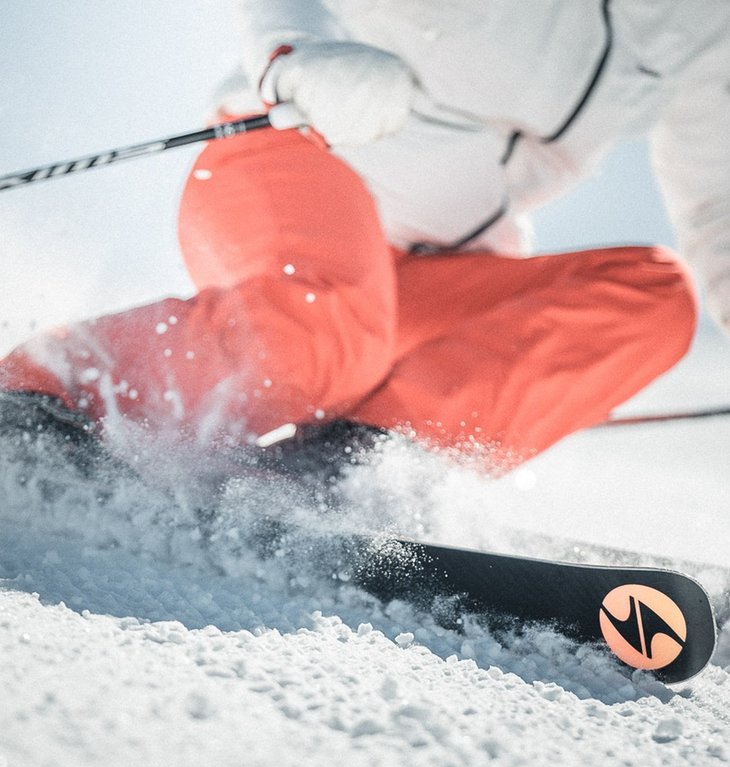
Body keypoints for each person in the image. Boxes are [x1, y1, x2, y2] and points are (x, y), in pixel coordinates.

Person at [1, 0, 726, 474]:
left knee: (656, 296)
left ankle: (356, 468)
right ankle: (36, 398)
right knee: (324, 336)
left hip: (441, 258)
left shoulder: (703, 27)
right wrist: (298, 54)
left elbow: (717, 201)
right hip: (301, 150)